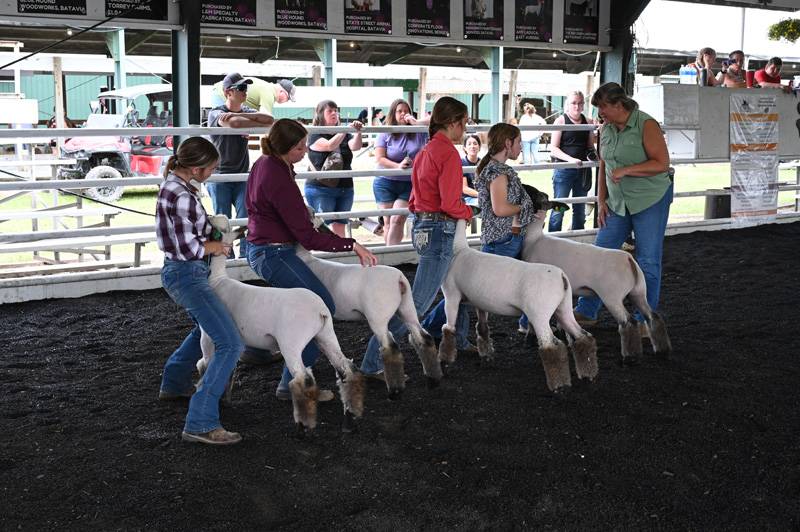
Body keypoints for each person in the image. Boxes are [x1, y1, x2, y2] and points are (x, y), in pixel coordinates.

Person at [246, 118, 378, 400]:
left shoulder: (266, 164)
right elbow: (308, 237)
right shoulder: (279, 175)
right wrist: (350, 244)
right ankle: (295, 381)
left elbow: (300, 222)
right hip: (276, 252)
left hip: (265, 249)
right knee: (319, 309)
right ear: (285, 148)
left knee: (293, 308)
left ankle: (256, 349)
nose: (305, 151)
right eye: (299, 146)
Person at [360, 96, 474, 378]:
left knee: (435, 292)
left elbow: (413, 198)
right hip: (440, 227)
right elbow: (450, 202)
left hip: (423, 225)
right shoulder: (447, 153)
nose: (466, 129)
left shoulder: (426, 151)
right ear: (453, 122)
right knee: (417, 303)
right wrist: (468, 211)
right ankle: (373, 362)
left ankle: (455, 333)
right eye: (465, 123)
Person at [155, 136, 243, 446]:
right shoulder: (182, 195)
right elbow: (188, 247)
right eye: (212, 168)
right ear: (196, 168)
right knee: (231, 343)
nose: (214, 172)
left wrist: (220, 233)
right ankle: (201, 421)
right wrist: (218, 245)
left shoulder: (177, 187)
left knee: (203, 328)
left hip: (183, 273)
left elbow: (197, 228)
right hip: (186, 272)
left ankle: (175, 381)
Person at [573, 83, 673, 336]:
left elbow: (661, 164)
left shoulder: (646, 124)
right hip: (617, 203)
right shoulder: (605, 129)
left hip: (650, 198)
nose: (600, 113)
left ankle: (644, 318)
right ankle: (587, 310)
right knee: (599, 255)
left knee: (648, 260)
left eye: (603, 107)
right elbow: (604, 165)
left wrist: (628, 170)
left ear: (619, 104)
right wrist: (600, 200)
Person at [473, 123, 536, 333]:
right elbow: (500, 209)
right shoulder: (499, 172)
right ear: (507, 144)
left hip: (503, 237)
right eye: (518, 142)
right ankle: (436, 325)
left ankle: (530, 323)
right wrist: (526, 206)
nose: (520, 146)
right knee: (474, 292)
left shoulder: (492, 168)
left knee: (475, 289)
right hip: (505, 238)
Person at [207, 73, 274, 258]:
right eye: (241, 89)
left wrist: (241, 116)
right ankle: (226, 257)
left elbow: (269, 119)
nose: (245, 92)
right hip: (220, 175)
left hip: (242, 174)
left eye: (246, 88)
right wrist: (247, 121)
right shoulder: (215, 112)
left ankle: (246, 255)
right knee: (222, 220)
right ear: (228, 92)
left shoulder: (243, 110)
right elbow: (235, 123)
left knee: (246, 217)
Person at [373, 98, 429, 245]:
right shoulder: (385, 132)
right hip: (385, 181)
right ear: (393, 113)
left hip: (408, 183)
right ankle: (389, 257)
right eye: (399, 111)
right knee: (388, 222)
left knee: (398, 219)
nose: (403, 114)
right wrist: (398, 166)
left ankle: (393, 257)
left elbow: (434, 120)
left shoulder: (418, 131)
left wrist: (416, 123)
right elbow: (380, 158)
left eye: (406, 111)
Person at [305, 100, 364, 237]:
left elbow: (355, 146)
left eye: (336, 110)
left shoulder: (344, 133)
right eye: (329, 111)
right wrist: (345, 130)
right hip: (321, 188)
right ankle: (324, 255)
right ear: (320, 114)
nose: (334, 113)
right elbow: (329, 146)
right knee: (321, 227)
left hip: (345, 187)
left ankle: (339, 254)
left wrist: (357, 132)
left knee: (340, 224)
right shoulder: (314, 134)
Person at [548, 90, 596, 232]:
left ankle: (577, 239)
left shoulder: (588, 121)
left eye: (580, 103)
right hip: (564, 169)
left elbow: (590, 146)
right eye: (573, 103)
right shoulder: (561, 120)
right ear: (567, 105)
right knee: (559, 208)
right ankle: (553, 240)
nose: (577, 106)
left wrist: (594, 156)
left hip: (583, 170)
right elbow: (553, 148)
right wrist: (571, 160)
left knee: (580, 209)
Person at [210, 76, 296, 114]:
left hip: (219, 92)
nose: (286, 101)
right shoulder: (270, 94)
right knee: (223, 131)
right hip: (221, 94)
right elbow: (265, 120)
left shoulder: (267, 87)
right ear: (282, 92)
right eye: (288, 98)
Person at [461, 134, 481, 206]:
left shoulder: (483, 163)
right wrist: (482, 195)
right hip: (467, 198)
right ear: (465, 148)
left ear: (479, 147)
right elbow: (464, 188)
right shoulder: (461, 163)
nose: (472, 146)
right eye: (469, 144)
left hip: (481, 197)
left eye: (475, 144)